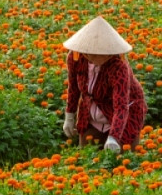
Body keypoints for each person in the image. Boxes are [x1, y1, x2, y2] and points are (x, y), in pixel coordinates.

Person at [62, 16, 147, 152]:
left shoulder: (118, 66)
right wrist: (69, 115)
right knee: (87, 155)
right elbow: (73, 88)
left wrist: (114, 137)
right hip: (91, 115)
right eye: (93, 53)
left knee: (123, 156)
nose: (94, 56)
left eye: (103, 53)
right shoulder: (76, 58)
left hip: (123, 116)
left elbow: (121, 106)